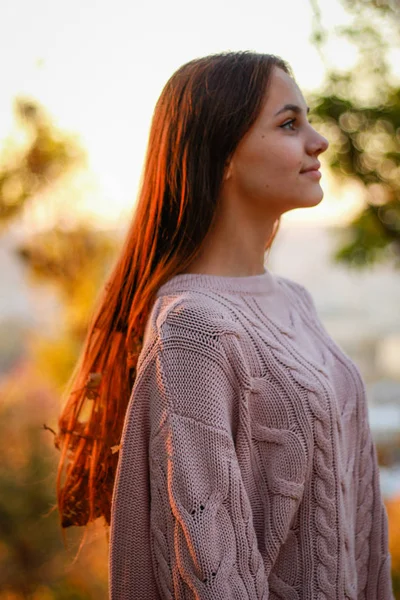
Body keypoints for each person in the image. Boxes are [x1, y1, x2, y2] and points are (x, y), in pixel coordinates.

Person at [55, 51, 394, 599]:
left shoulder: (295, 301)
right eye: (289, 124)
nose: (319, 141)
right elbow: (212, 576)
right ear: (223, 155)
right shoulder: (195, 331)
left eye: (307, 119)